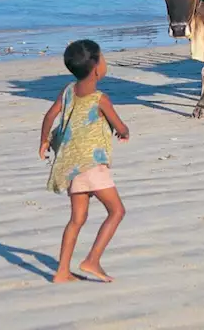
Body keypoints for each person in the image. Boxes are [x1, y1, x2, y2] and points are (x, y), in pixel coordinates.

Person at [39, 39, 130, 282]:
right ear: (96, 67)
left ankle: (61, 272)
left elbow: (50, 116)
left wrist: (44, 142)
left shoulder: (67, 91)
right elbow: (119, 125)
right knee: (117, 211)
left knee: (77, 219)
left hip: (71, 166)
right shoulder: (100, 99)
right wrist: (124, 132)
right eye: (103, 58)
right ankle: (92, 260)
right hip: (91, 164)